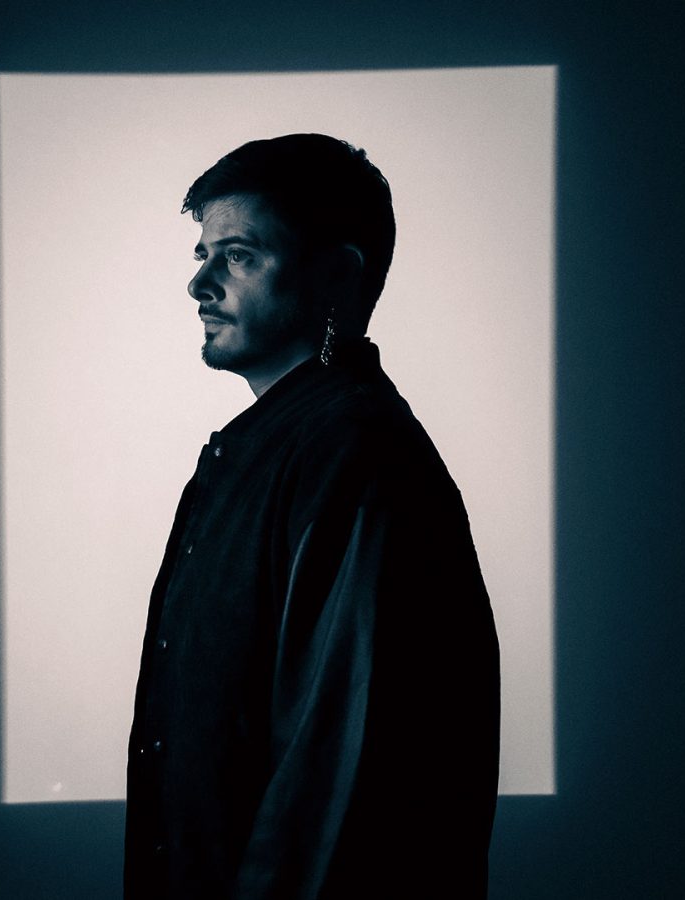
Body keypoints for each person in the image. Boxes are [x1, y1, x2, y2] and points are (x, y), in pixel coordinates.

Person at [125, 134, 500, 899]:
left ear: (336, 275)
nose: (198, 284)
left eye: (238, 256)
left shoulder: (358, 457)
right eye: (203, 254)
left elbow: (342, 775)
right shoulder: (271, 448)